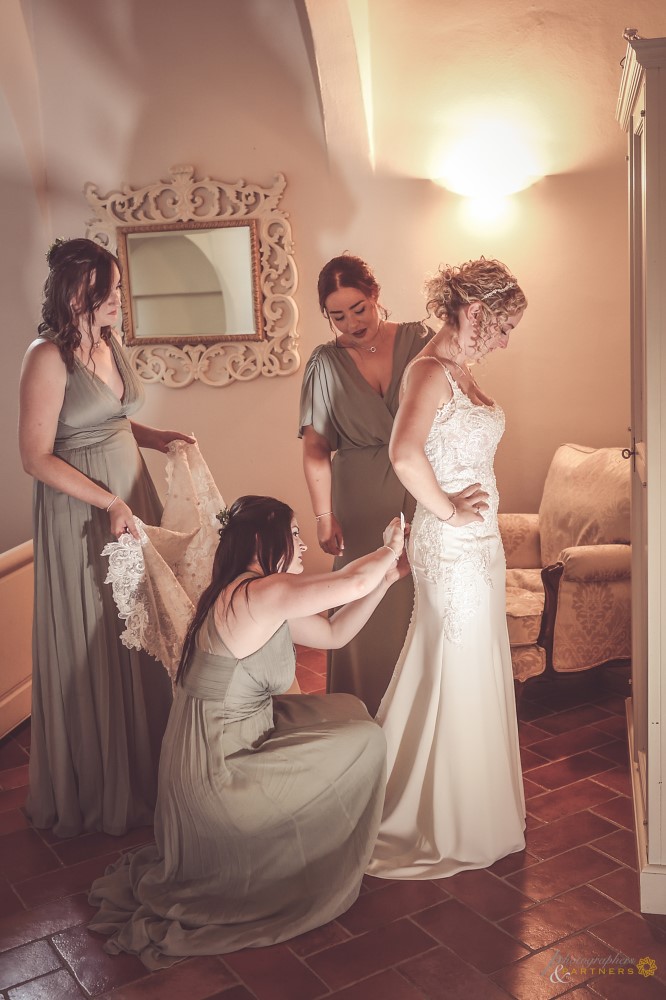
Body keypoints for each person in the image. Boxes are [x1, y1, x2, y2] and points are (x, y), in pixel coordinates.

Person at [88, 495, 406, 968]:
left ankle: (313, 839)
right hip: (216, 770)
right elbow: (351, 581)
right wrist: (391, 548)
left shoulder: (256, 592)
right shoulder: (260, 593)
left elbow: (336, 634)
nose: (301, 547)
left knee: (347, 713)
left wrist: (392, 577)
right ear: (261, 540)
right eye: (294, 536)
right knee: (364, 740)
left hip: (227, 738)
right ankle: (311, 851)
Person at [18, 237, 194, 838]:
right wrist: (109, 501)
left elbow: (112, 417)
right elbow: (36, 457)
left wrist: (155, 435)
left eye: (118, 290)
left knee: (142, 628)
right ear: (77, 294)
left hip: (130, 500)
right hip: (85, 514)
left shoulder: (109, 342)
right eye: (110, 292)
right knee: (100, 632)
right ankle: (101, 782)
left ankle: (147, 770)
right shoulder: (46, 357)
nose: (120, 301)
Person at [367, 257, 528, 879]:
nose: (508, 340)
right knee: (453, 667)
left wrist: (474, 518)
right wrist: (452, 514)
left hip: (480, 549)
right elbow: (404, 456)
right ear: (476, 312)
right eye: (505, 325)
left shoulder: (458, 370)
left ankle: (476, 806)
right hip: (454, 550)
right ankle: (447, 817)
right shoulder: (430, 371)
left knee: (470, 667)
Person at [299, 254, 436, 716]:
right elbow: (316, 448)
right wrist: (323, 514)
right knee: (365, 597)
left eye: (359, 308)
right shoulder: (324, 363)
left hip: (424, 485)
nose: (352, 323)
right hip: (357, 500)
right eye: (338, 316)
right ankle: (364, 711)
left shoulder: (423, 341)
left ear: (375, 295)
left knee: (422, 594)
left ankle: (421, 717)